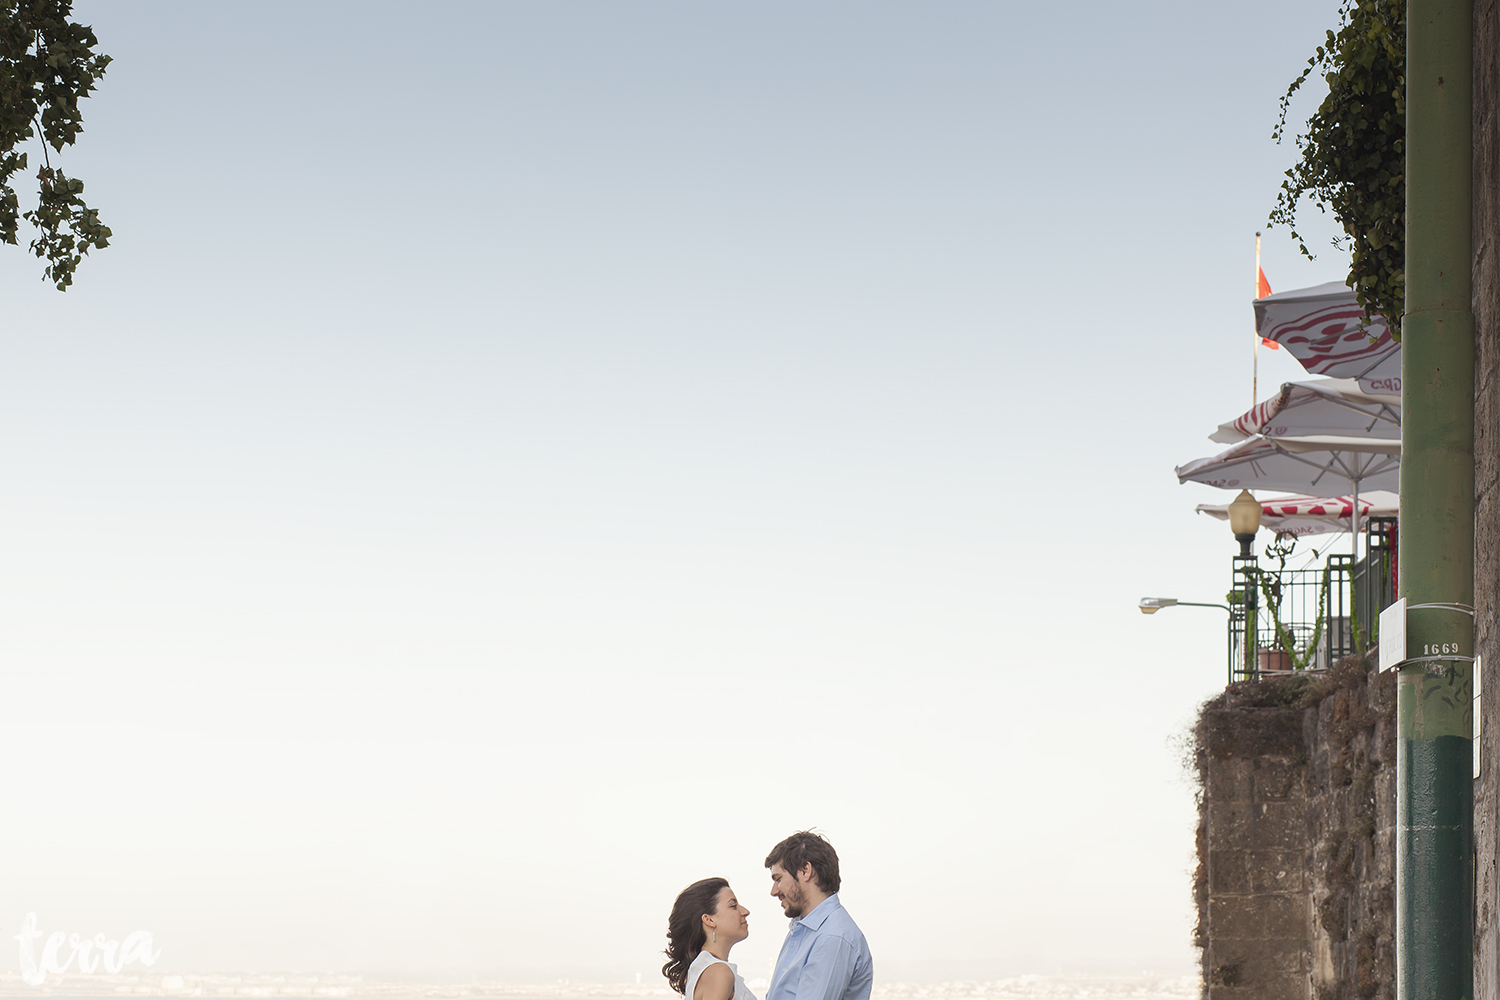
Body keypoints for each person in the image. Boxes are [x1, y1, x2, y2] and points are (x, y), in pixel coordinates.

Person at [765, 832, 872, 1000]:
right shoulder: (802, 929)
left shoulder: (833, 937)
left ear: (805, 871)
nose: (774, 891)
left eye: (778, 879)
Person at [663, 877, 757, 1000]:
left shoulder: (706, 969)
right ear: (709, 920)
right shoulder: (719, 973)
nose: (745, 911)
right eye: (733, 906)